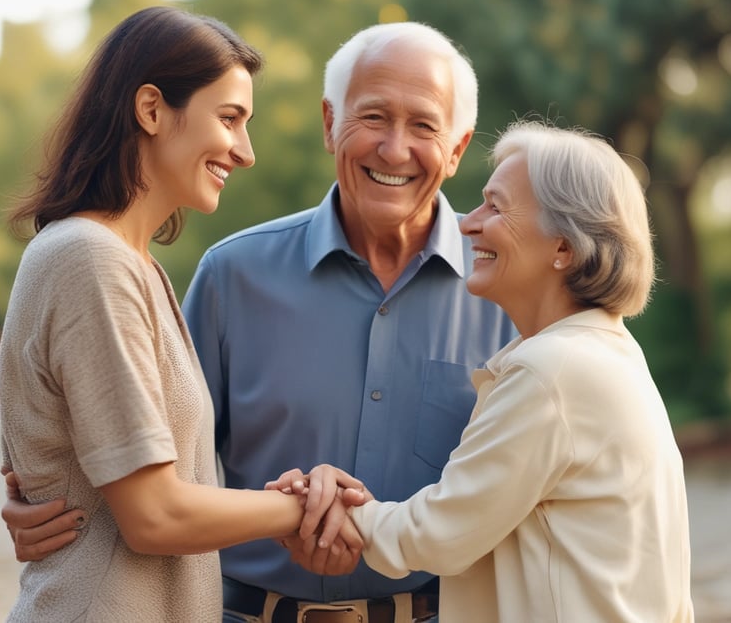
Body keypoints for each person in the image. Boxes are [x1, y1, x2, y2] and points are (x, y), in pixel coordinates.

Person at [2, 21, 515, 622]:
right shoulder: (222, 274)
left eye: (424, 125)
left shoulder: (513, 294)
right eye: (373, 117)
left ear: (457, 149)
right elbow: (154, 492)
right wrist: (48, 485)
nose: (395, 148)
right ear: (330, 123)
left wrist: (55, 480)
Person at [0, 5, 362, 623]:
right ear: (150, 110)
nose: (245, 152)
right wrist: (307, 507)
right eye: (229, 119)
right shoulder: (90, 260)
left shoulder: (130, 265)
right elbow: (155, 515)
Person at [281, 120, 695, 622]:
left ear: (563, 247)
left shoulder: (553, 371)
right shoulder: (606, 355)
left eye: (495, 207)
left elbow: (440, 532)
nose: (466, 223)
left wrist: (325, 511)